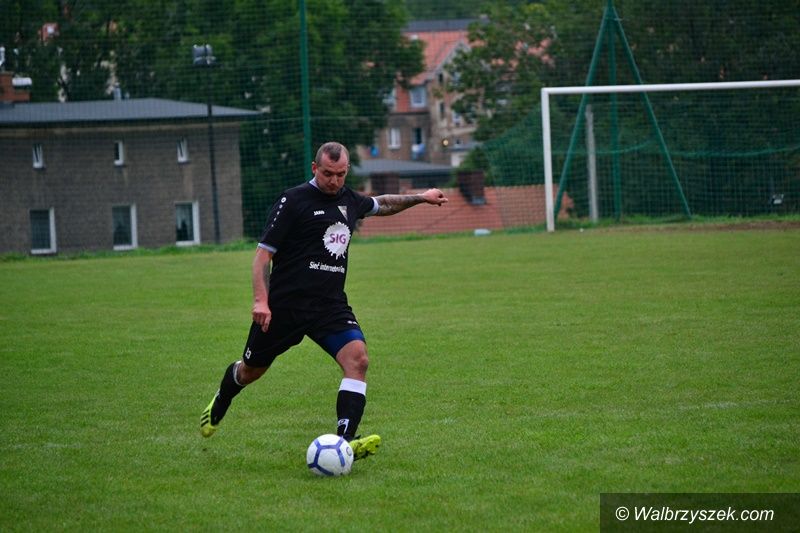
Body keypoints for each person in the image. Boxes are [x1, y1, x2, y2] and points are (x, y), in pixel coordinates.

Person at [201, 141, 448, 462]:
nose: (334, 181)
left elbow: (382, 203)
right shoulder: (293, 200)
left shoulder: (349, 200)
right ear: (315, 168)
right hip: (284, 308)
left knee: (358, 360)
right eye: (328, 174)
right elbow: (262, 255)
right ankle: (223, 396)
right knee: (250, 372)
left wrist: (421, 197)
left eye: (341, 174)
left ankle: (345, 441)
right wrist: (261, 301)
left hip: (329, 306)